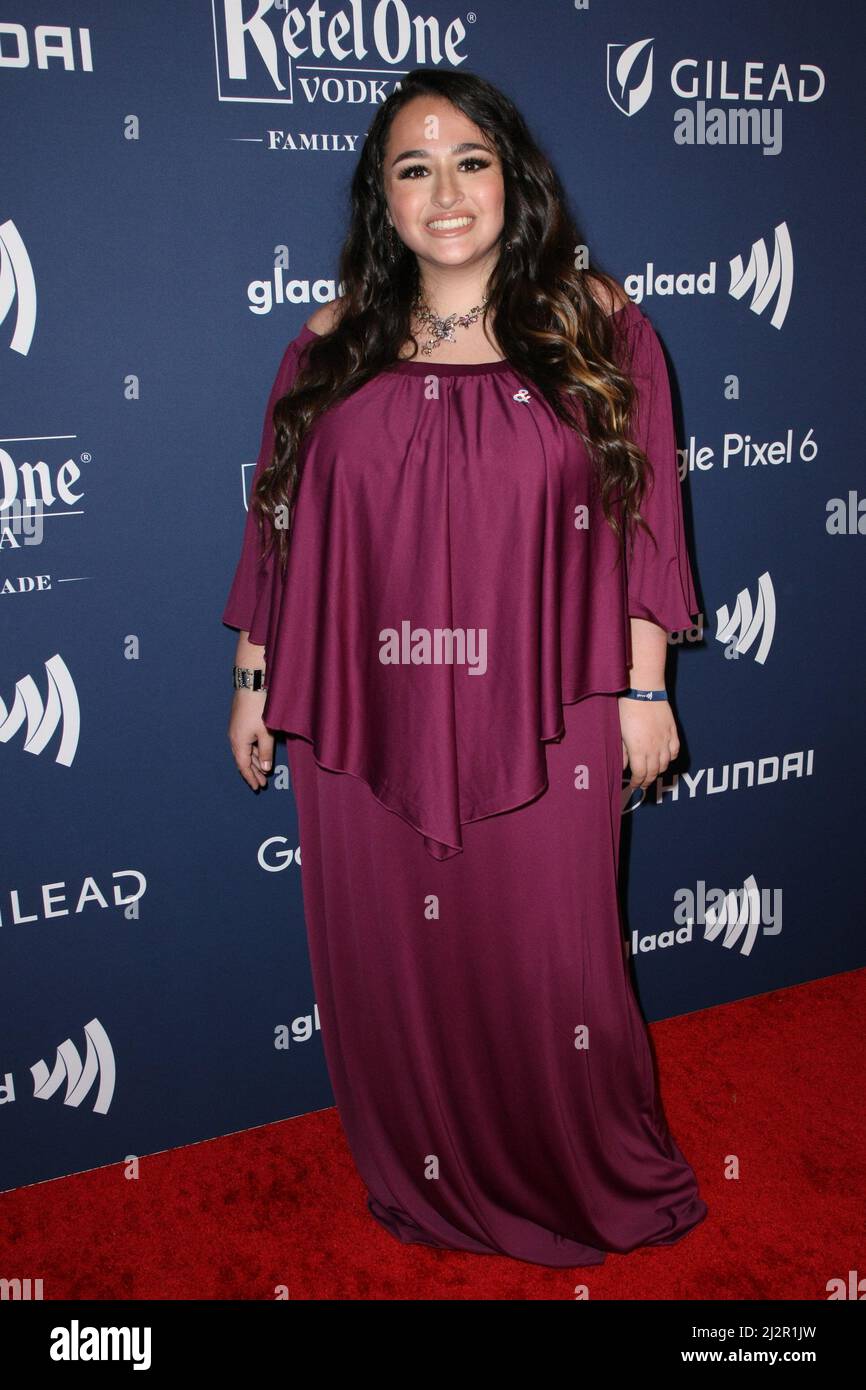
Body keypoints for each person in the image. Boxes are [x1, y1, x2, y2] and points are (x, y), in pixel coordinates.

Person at [223, 68, 707, 1268]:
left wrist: (645, 688)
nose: (444, 189)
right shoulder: (331, 341)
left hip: (553, 708)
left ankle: (581, 1172)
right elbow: (278, 520)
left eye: (469, 159)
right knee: (393, 962)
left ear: (513, 177)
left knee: (558, 965)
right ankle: (425, 1175)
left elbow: (642, 511)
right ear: (380, 201)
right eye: (411, 166)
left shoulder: (597, 321)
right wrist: (252, 673)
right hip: (364, 713)